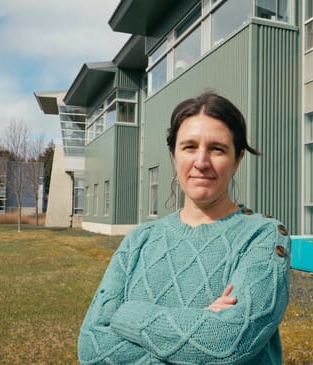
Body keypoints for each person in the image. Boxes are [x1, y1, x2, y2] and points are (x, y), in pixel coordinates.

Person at [78, 92, 291, 364]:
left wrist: (126, 314)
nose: (201, 162)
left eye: (217, 149)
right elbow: (91, 346)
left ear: (237, 160)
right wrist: (196, 330)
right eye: (189, 147)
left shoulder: (263, 236)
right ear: (173, 156)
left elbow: (228, 342)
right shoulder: (138, 241)